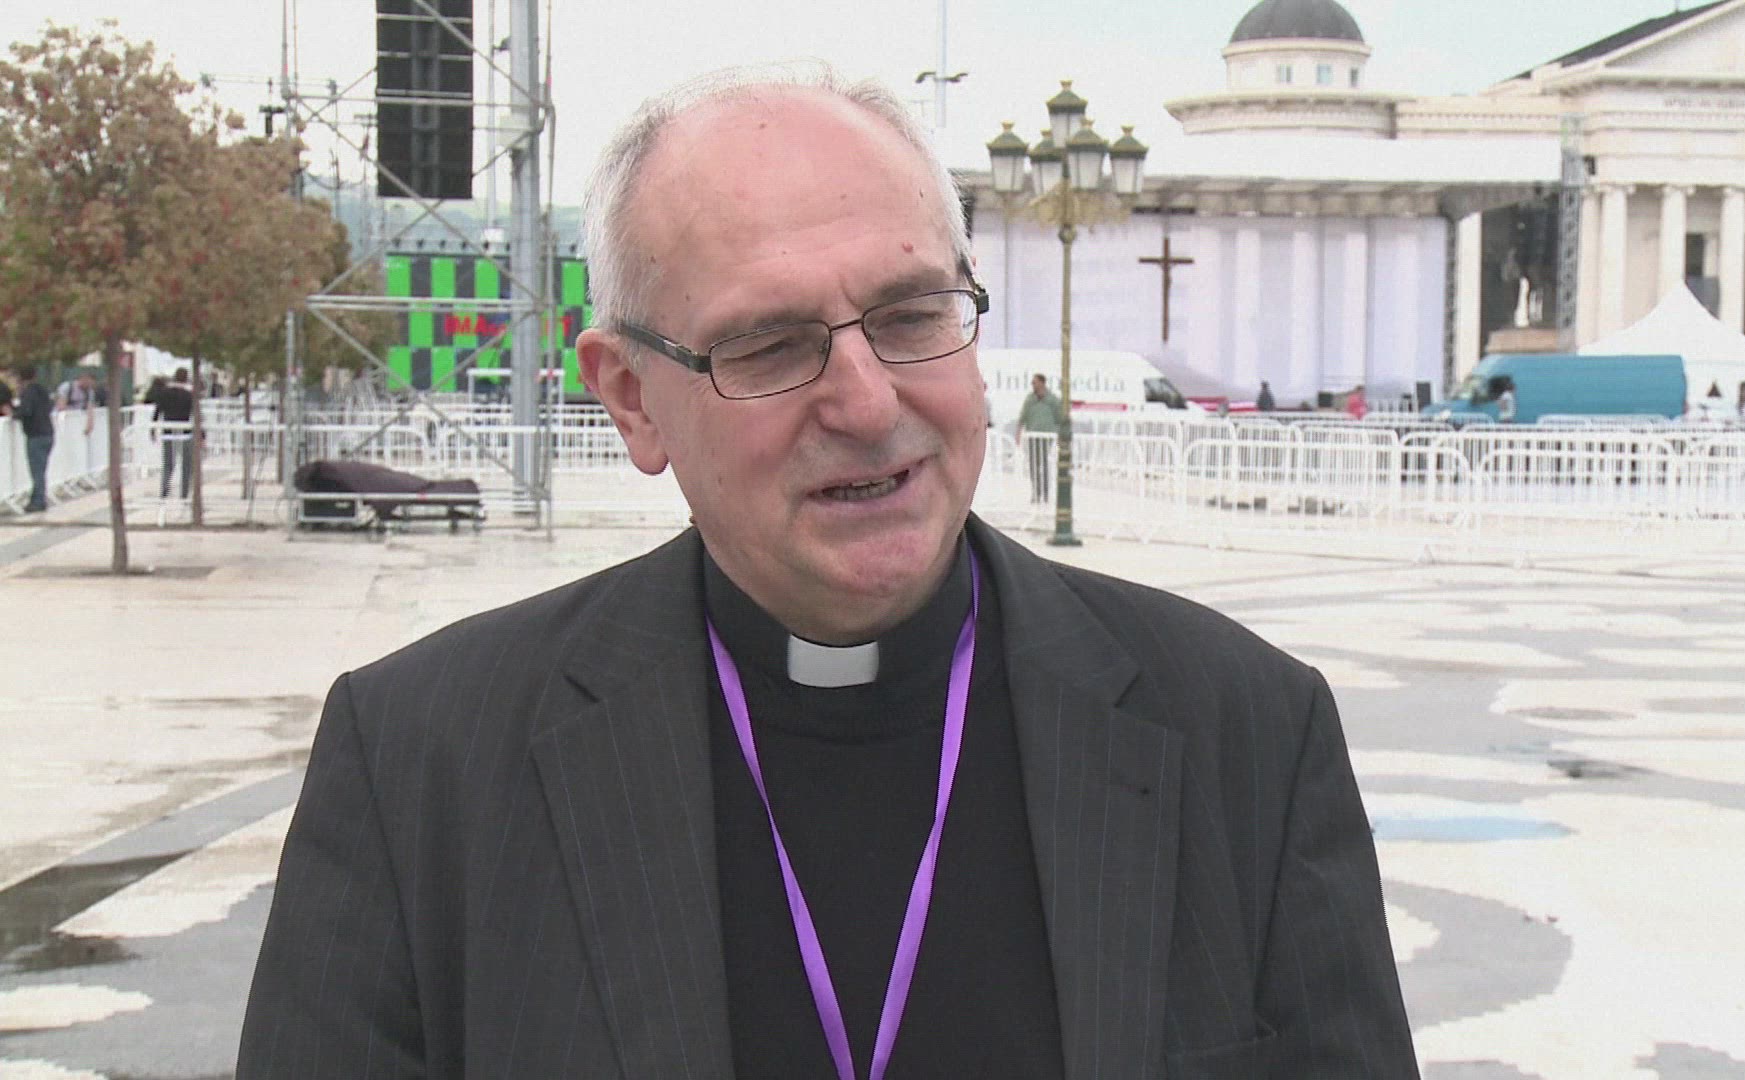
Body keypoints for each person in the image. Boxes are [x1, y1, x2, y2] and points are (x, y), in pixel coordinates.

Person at [238, 65, 1416, 1079]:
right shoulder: (421, 765)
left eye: (911, 316)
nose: (867, 402)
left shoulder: (1244, 730)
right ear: (632, 399)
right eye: (771, 345)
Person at [1013, 372, 1063, 504]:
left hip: (1046, 438)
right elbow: (1022, 418)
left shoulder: (1053, 400)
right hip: (1032, 437)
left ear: (1042, 383)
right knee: (1034, 465)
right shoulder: (1030, 400)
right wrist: (1018, 434)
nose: (1033, 385)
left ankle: (1045, 493)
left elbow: (1060, 419)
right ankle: (1036, 491)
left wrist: (1060, 436)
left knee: (1044, 465)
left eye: (1035, 382)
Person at [13, 366, 54, 512]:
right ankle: (37, 498)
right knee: (41, 469)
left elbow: (26, 411)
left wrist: (14, 414)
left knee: (37, 470)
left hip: (35, 435)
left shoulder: (28, 393)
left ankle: (38, 501)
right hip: (48, 432)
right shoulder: (42, 391)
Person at [151, 367, 195, 499]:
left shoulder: (164, 393)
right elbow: (196, 414)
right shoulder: (189, 395)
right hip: (185, 432)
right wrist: (202, 435)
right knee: (186, 464)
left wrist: (153, 429)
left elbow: (157, 412)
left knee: (168, 464)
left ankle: (164, 490)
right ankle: (184, 493)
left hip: (168, 431)